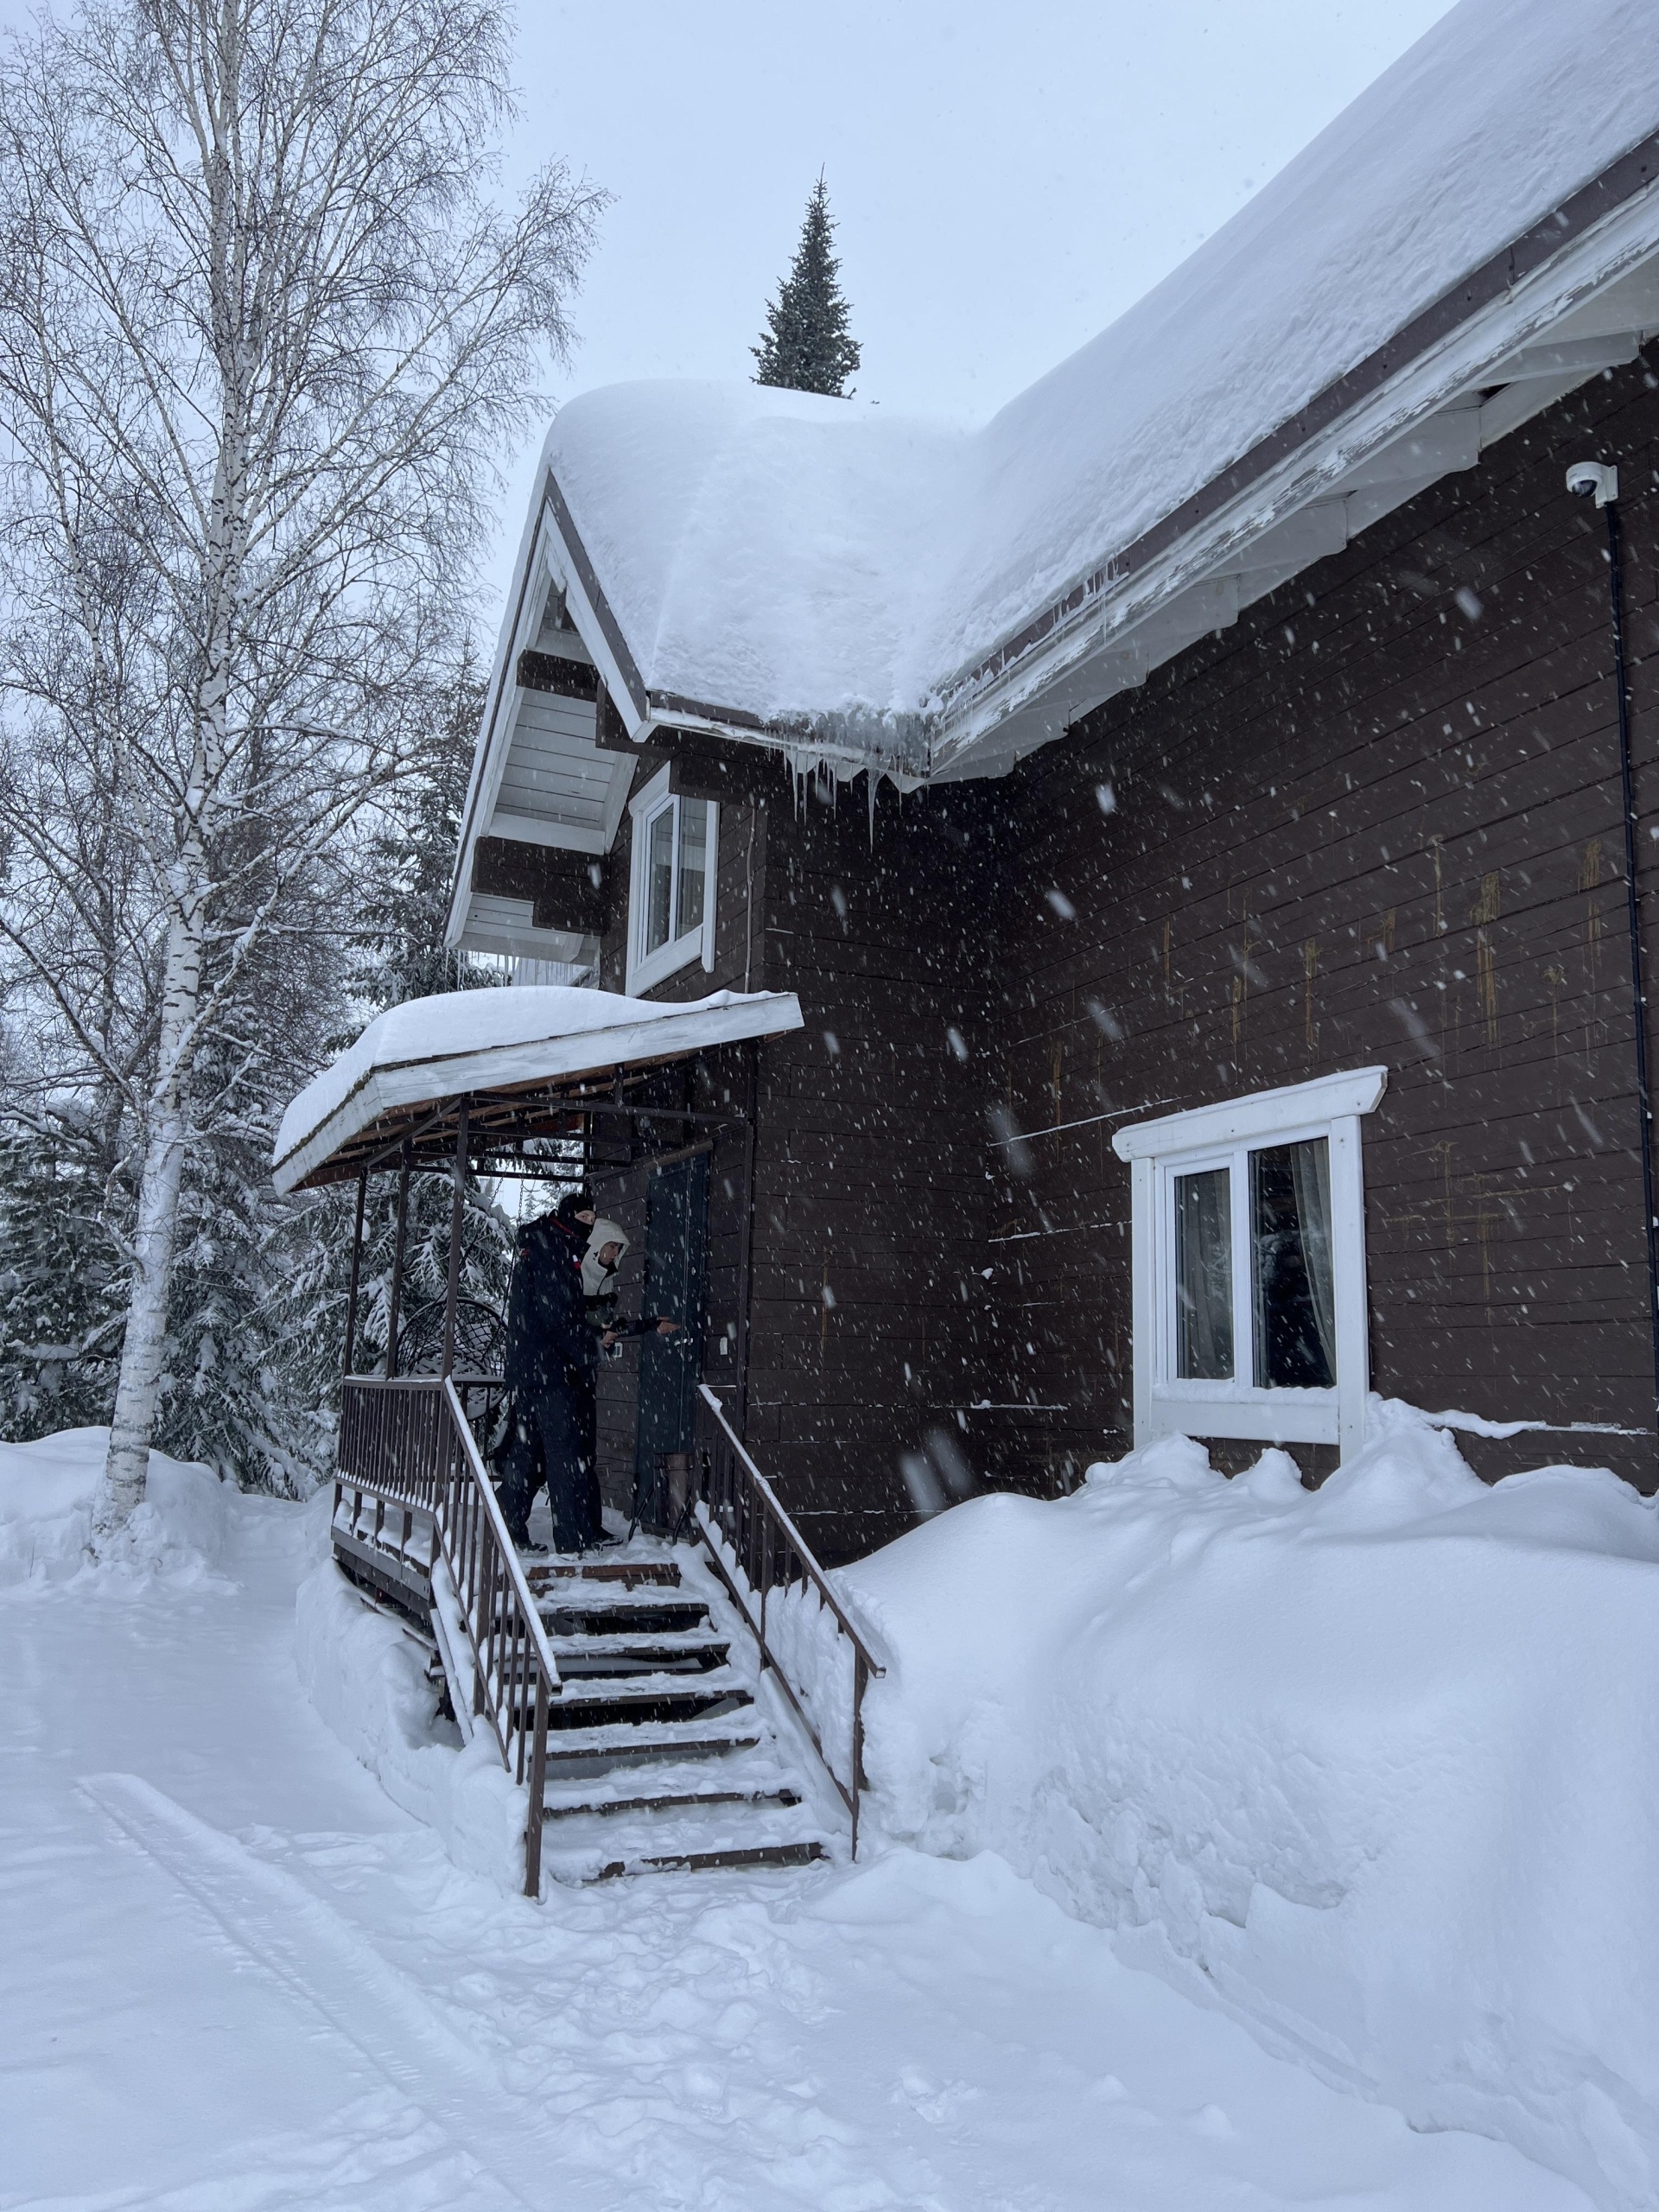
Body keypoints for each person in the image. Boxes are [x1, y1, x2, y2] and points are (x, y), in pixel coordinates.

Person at [495, 1189, 595, 1554]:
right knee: (562, 1455)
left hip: (529, 1370)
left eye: (591, 1222)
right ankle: (571, 1542)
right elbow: (558, 1317)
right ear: (567, 1217)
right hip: (549, 1372)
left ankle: (507, 1529)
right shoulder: (553, 1251)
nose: (587, 1227)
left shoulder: (541, 1246)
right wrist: (591, 1345)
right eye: (583, 1219)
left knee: (527, 1451)